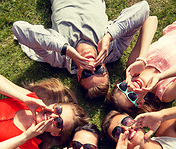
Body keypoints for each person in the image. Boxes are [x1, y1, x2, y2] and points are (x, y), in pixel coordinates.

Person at [12, 0, 149, 99]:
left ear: (78, 75)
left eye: (87, 73)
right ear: (106, 69)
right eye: (99, 70)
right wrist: (109, 36)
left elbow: (19, 28)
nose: (91, 65)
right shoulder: (112, 50)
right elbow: (143, 8)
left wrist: (66, 50)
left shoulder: (58, 58)